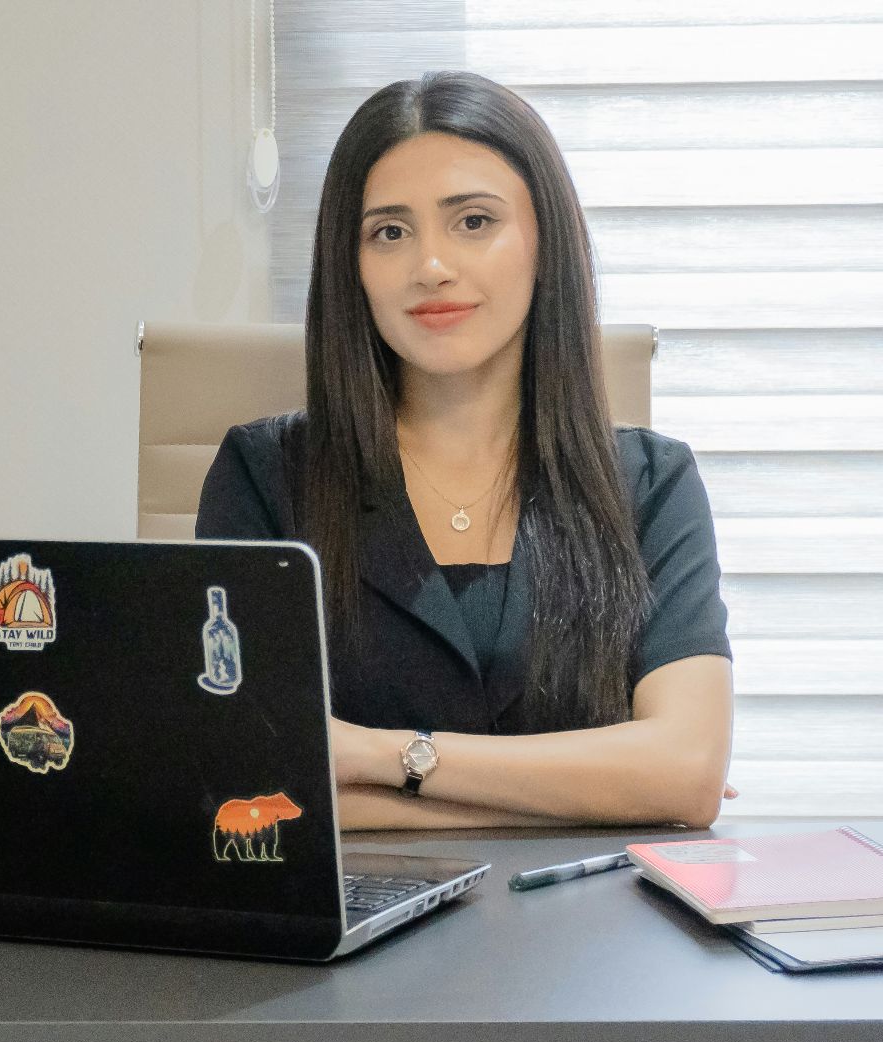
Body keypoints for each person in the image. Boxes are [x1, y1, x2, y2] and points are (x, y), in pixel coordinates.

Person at [196, 71, 736, 832]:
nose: (432, 266)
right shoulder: (262, 478)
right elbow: (242, 778)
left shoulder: (651, 484)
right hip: (348, 925)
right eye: (389, 231)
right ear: (350, 267)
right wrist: (588, 794)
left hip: (589, 930)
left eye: (474, 222)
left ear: (545, 242)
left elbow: (684, 775)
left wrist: (381, 759)